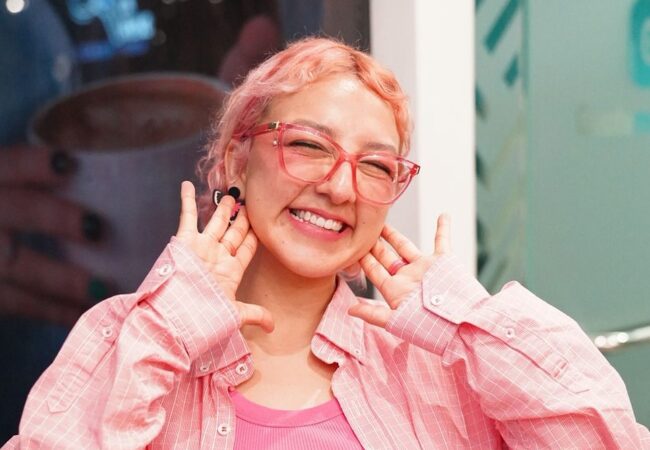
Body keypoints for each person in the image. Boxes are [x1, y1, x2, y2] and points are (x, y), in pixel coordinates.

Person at [5, 37, 650, 449]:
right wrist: (169, 329)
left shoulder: (440, 369)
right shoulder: (134, 346)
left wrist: (467, 322)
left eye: (375, 166)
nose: (341, 187)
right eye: (309, 146)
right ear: (235, 161)